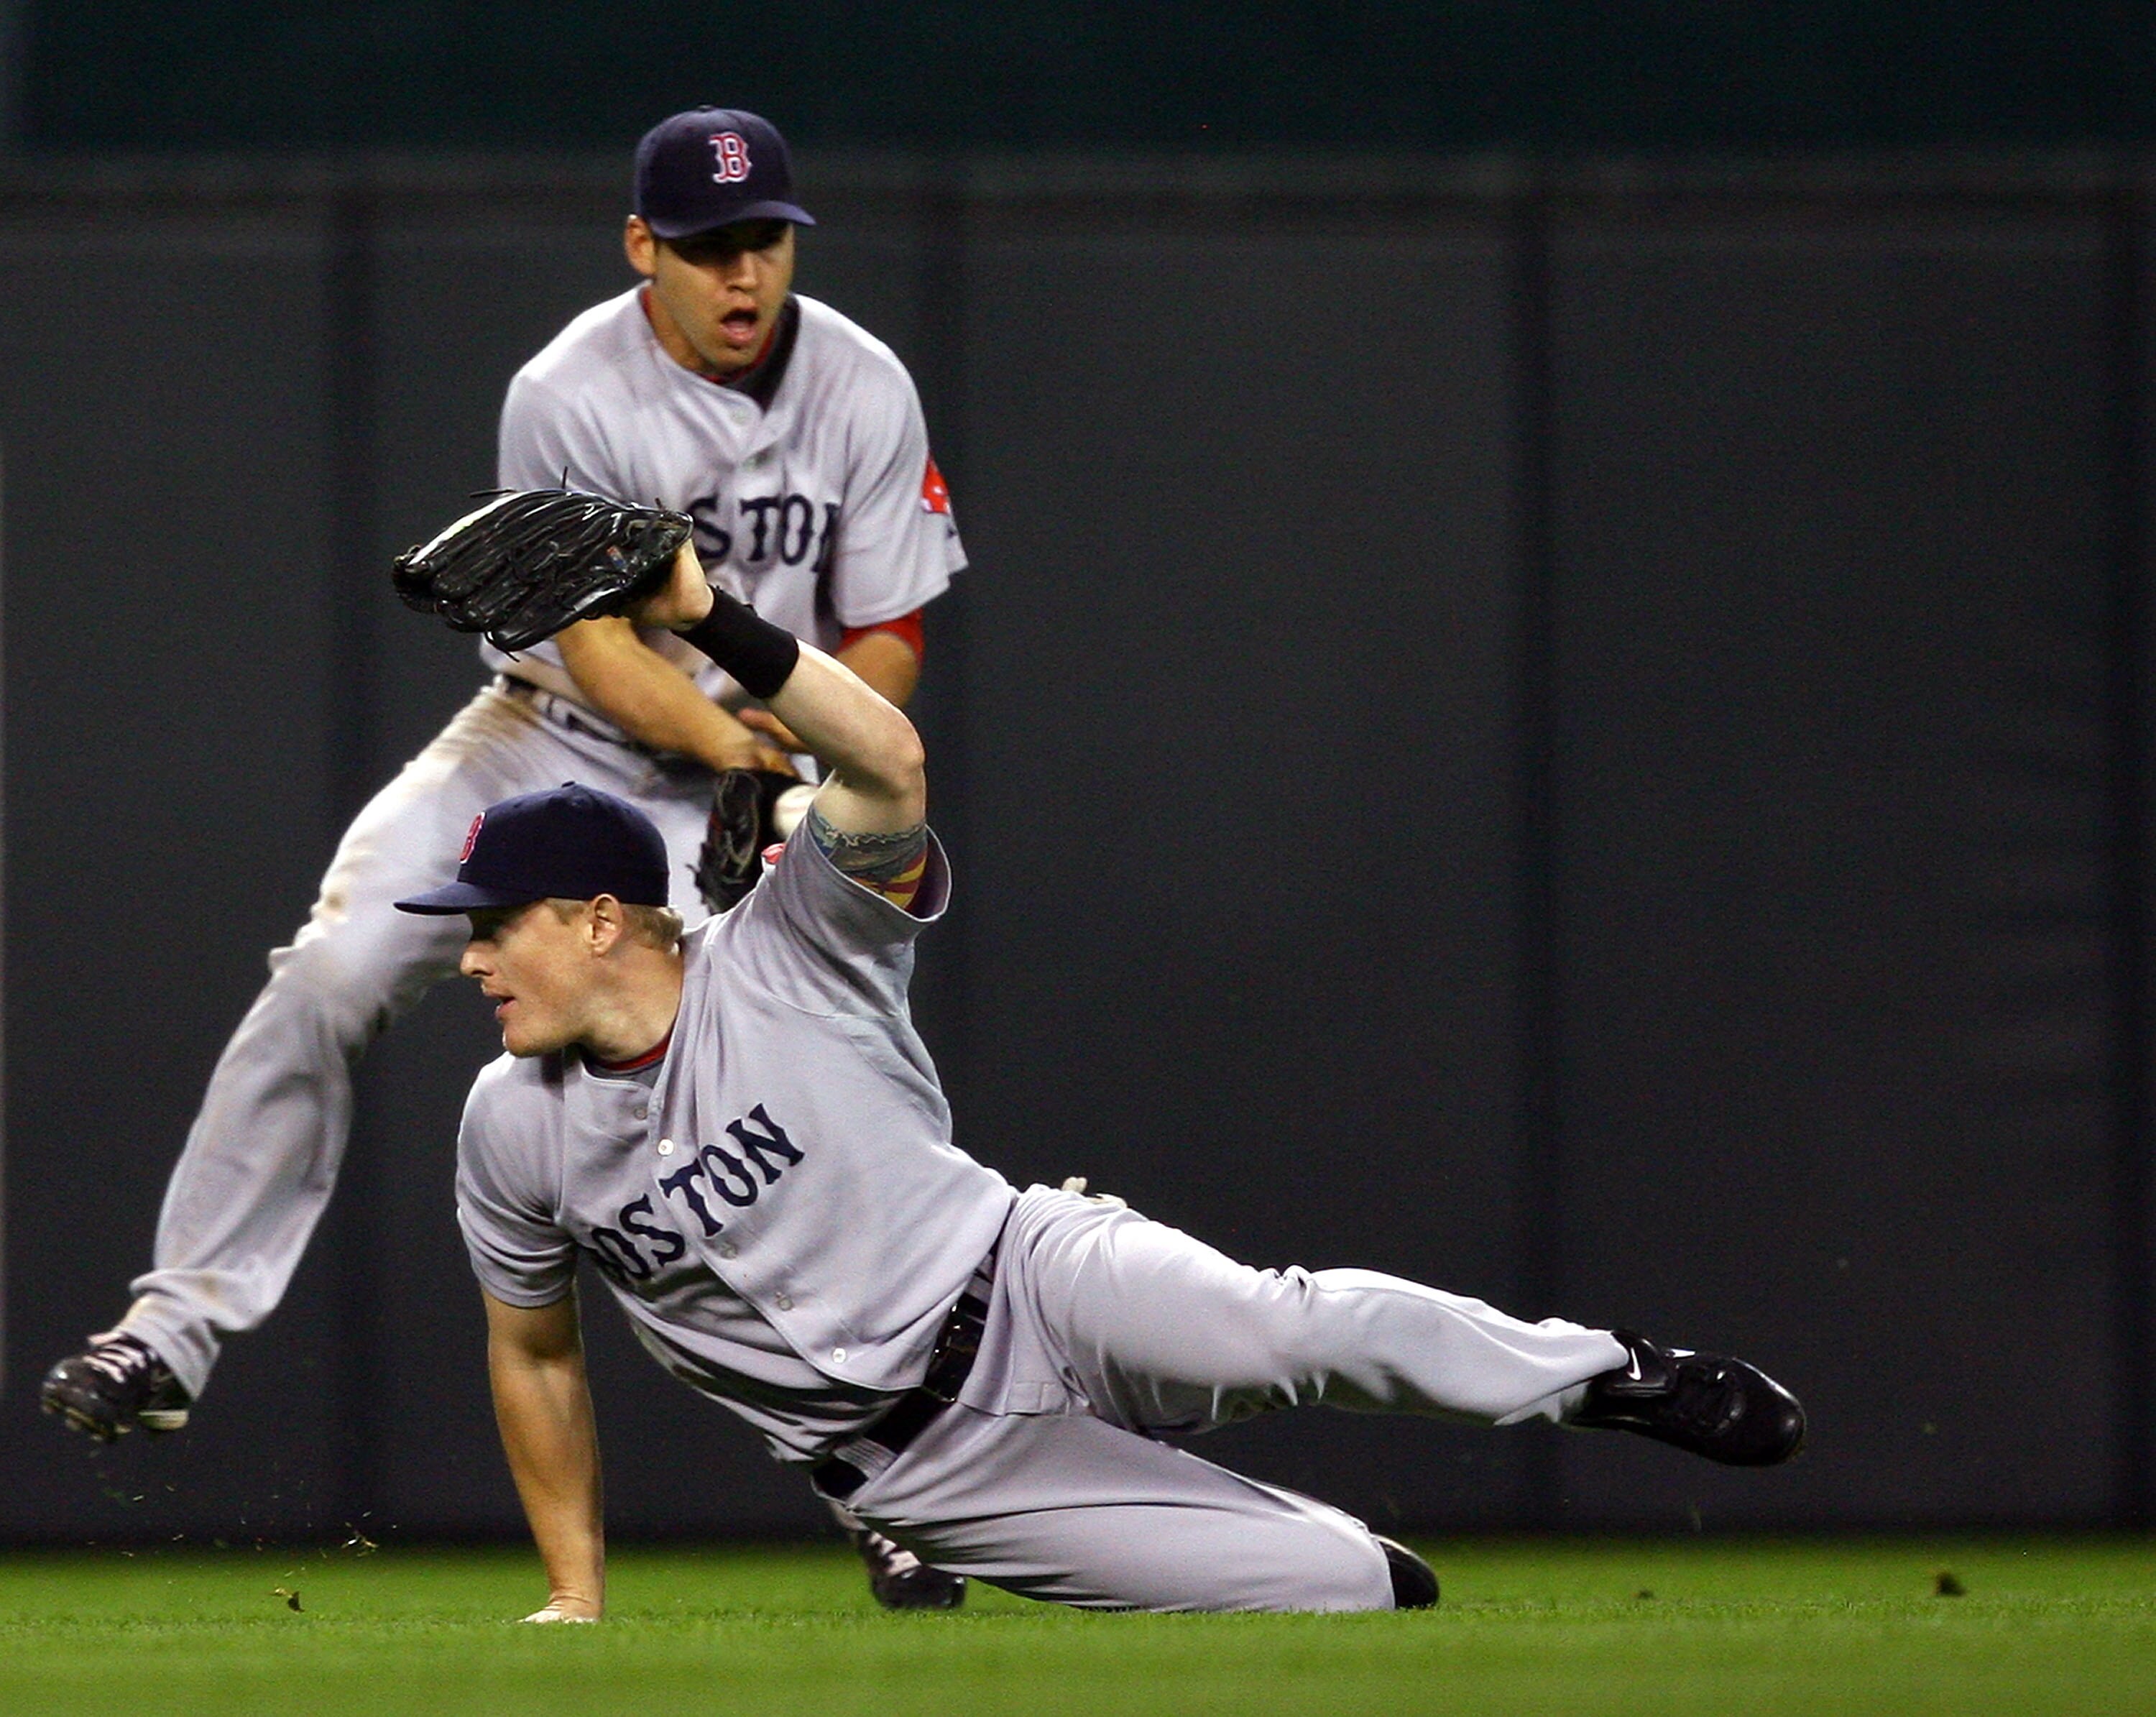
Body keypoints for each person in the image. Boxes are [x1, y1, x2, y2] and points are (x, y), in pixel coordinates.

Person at [395, 544, 1806, 1618]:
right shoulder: (510, 1133)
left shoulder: (786, 948)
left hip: (1026, 1273)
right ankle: (1343, 1551)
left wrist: (705, 617)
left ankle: (1611, 1375)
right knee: (1359, 1600)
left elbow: (884, 759)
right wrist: (575, 1599)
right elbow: (534, 1353)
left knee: (1279, 1329)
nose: (470, 962)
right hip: (929, 1477)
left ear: (594, 916)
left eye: (492, 925)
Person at [41, 106, 967, 1606]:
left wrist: (792, 752)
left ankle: (909, 1476)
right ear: (640, 248)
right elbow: (594, 645)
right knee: (334, 969)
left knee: (814, 1090)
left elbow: (890, 633)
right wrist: (736, 744)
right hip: (551, 742)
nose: (744, 274)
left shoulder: (864, 382)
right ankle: (175, 1327)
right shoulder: (572, 390)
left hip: (751, 767)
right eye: (708, 245)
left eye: (766, 240)